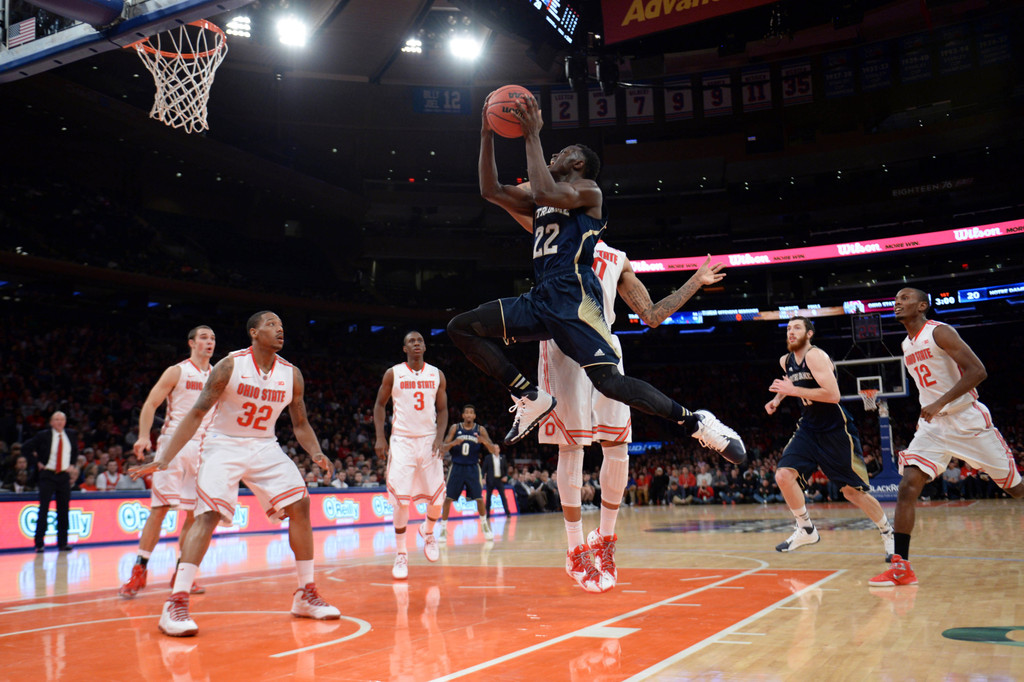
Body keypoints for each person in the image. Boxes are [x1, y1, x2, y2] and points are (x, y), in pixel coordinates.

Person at [447, 92, 745, 465]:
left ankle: (696, 423)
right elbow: (490, 190)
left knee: (612, 385)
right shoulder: (543, 199)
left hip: (575, 301)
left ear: (577, 161)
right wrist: (486, 133)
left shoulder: (589, 192)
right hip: (541, 298)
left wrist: (532, 135)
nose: (552, 157)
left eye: (560, 153)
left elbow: (542, 190)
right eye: (549, 153)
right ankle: (528, 395)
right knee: (460, 327)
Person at [129, 311, 339, 636]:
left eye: (282, 325)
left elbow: (300, 423)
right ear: (253, 332)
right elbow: (197, 412)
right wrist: (165, 457)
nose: (279, 329)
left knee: (300, 504)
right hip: (222, 444)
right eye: (271, 324)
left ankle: (305, 594)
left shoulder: (292, 374)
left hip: (264, 445)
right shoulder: (230, 365)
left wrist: (316, 452)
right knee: (207, 514)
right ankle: (176, 601)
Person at [537, 238, 727, 591]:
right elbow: (508, 197)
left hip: (604, 342)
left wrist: (695, 281)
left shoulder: (615, 257)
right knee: (572, 446)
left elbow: (651, 315)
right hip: (563, 342)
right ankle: (574, 547)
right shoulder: (554, 230)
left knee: (618, 445)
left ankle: (605, 541)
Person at [870, 288, 1023, 587]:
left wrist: (941, 402)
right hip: (934, 428)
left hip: (967, 421)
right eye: (895, 297)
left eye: (904, 298)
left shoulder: (940, 332)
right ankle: (902, 568)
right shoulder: (906, 344)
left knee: (1016, 489)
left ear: (922, 306)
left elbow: (978, 371)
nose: (897, 302)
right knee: (907, 487)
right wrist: (934, 409)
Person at [766, 316, 895, 560]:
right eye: (788, 328)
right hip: (809, 428)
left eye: (797, 328)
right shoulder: (785, 360)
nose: (791, 332)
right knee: (783, 475)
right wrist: (776, 399)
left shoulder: (816, 356)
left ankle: (888, 533)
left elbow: (833, 395)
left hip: (836, 429)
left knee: (852, 492)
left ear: (809, 334)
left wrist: (792, 391)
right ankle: (806, 528)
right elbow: (790, 383)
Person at [119, 325, 216, 599]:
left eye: (213, 339)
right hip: (173, 444)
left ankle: (181, 574)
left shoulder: (218, 374)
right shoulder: (177, 370)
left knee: (194, 516)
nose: (209, 342)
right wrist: (142, 437)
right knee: (160, 510)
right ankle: (139, 571)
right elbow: (150, 404)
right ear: (191, 343)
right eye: (204, 338)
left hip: (203, 449)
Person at [373, 331, 449, 581]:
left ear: (425, 347)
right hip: (402, 441)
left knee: (438, 499)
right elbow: (379, 405)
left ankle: (428, 532)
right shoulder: (393, 373)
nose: (416, 344)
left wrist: (439, 437)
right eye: (411, 341)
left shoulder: (436, 374)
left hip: (429, 440)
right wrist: (380, 437)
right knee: (401, 501)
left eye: (420, 341)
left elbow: (443, 409)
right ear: (404, 348)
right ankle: (401, 554)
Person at [437, 404, 498, 541]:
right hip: (457, 467)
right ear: (463, 416)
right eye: (467, 413)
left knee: (479, 499)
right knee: (448, 499)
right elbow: (443, 448)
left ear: (474, 416)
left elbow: (493, 450)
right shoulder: (455, 428)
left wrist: (484, 441)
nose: (469, 415)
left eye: (472, 413)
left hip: (473, 467)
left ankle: (484, 525)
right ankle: (443, 529)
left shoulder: (480, 429)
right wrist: (453, 443)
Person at [22, 411, 78, 552]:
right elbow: (26, 448)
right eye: (56, 419)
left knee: (64, 510)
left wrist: (72, 464)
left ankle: (63, 543)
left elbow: (75, 451)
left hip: (64, 477)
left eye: (62, 419)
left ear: (65, 422)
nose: (59, 422)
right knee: (44, 509)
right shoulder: (43, 435)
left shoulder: (71, 434)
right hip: (48, 475)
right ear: (51, 422)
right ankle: (39, 543)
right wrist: (37, 463)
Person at [482, 444, 510, 520]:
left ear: (499, 449)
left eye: (497, 448)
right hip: (490, 480)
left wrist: (506, 476)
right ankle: (487, 513)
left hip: (499, 480)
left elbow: (506, 469)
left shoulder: (502, 457)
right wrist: (482, 478)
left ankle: (507, 512)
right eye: (494, 448)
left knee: (503, 497)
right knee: (488, 497)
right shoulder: (488, 458)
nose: (495, 449)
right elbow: (484, 469)